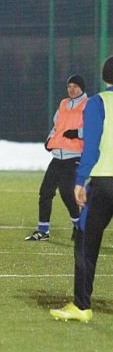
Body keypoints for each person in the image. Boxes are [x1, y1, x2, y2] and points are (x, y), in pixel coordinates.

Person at [50, 56, 113, 323]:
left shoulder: (98, 102)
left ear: (104, 76)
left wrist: (79, 180)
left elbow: (92, 145)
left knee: (85, 240)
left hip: (104, 182)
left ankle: (82, 305)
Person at [25, 75, 87, 241]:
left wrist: (78, 133)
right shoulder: (63, 104)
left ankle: (79, 226)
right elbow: (57, 126)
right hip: (58, 156)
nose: (71, 89)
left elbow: (94, 129)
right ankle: (43, 230)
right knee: (45, 192)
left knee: (67, 192)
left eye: (75, 86)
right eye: (69, 86)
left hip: (74, 155)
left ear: (82, 88)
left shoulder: (88, 105)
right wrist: (49, 140)